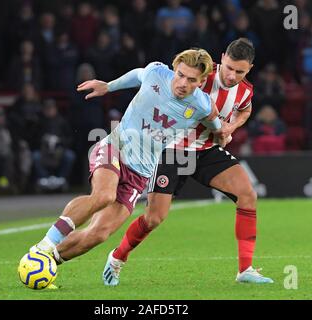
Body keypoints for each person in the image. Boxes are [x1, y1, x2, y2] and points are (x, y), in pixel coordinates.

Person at [54, 38, 274, 286]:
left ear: (249, 70)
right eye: (229, 68)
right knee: (154, 218)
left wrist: (230, 126)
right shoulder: (197, 73)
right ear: (222, 58)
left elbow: (245, 108)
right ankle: (116, 258)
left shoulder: (244, 90)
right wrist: (111, 86)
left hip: (206, 149)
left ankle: (245, 269)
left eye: (240, 71)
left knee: (247, 195)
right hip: (172, 149)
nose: (232, 76)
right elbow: (149, 77)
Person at [29, 48, 228, 286]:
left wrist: (221, 134)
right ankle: (45, 244)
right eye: (180, 74)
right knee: (103, 196)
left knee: (100, 233)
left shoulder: (202, 105)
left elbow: (216, 123)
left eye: (191, 79)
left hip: (141, 173)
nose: (183, 83)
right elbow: (137, 75)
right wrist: (108, 86)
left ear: (202, 81)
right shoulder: (157, 73)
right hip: (117, 146)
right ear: (174, 69)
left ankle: (45, 261)